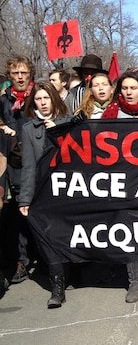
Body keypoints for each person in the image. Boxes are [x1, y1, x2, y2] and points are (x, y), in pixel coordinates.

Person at [101, 72, 138, 303]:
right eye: (124, 88)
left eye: (133, 88)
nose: (128, 92)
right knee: (128, 228)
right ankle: (135, 280)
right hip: (120, 181)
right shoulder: (110, 115)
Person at [18, 83, 70, 307]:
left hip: (69, 189)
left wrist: (55, 131)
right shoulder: (29, 129)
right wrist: (25, 199)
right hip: (44, 192)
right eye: (38, 99)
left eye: (46, 98)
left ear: (54, 99)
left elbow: (75, 155)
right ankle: (57, 284)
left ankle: (77, 271)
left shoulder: (67, 122)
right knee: (49, 238)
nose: (42, 102)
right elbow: (28, 166)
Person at [1, 56, 36, 284]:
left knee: (36, 210)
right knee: (16, 212)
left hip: (35, 161)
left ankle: (43, 258)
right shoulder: (4, 100)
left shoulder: (37, 95)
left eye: (23, 73)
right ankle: (21, 260)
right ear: (10, 76)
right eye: (16, 73)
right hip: (14, 163)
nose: (20, 77)